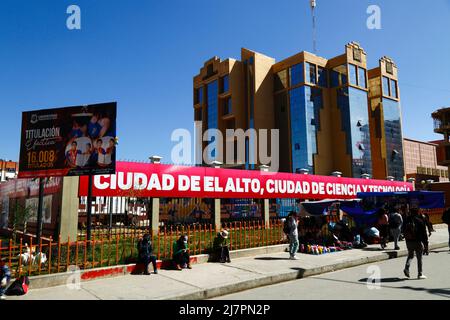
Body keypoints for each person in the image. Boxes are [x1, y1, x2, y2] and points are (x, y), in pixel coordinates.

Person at [403, 208, 429, 279]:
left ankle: (406, 268)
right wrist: (426, 245)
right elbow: (424, 235)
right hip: (417, 241)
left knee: (410, 255)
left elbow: (403, 230)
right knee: (419, 258)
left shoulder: (406, 220)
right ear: (417, 212)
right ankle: (420, 274)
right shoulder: (420, 221)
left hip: (408, 241)